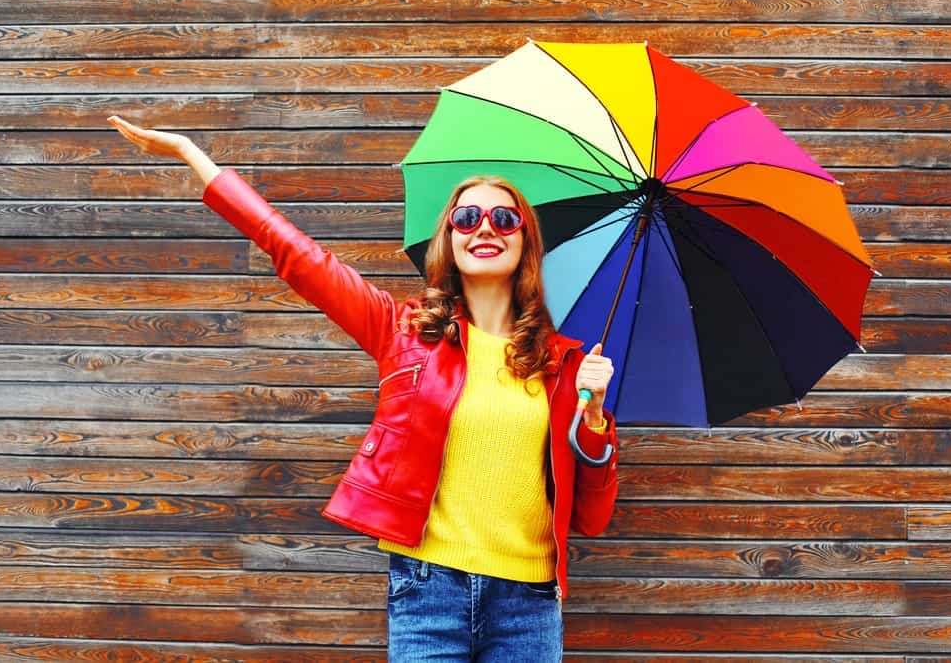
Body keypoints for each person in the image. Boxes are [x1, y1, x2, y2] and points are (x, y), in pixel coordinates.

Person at [107, 115, 619, 662]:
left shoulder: (563, 363)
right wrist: (197, 158)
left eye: (504, 217)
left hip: (530, 603)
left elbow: (591, 516)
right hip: (429, 590)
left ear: (526, 242)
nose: (485, 228)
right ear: (448, 237)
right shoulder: (403, 331)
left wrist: (593, 421)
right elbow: (302, 259)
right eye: (467, 217)